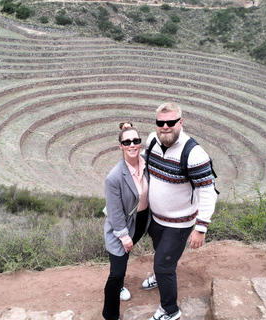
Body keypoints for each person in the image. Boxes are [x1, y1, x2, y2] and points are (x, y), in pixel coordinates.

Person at [143, 102, 218, 320]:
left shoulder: (194, 154)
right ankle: (161, 277)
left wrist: (201, 227)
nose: (165, 126)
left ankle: (170, 311)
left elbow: (208, 191)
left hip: (179, 223)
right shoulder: (151, 141)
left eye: (171, 122)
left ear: (180, 122)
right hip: (156, 218)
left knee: (164, 264)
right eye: (161, 122)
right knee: (161, 255)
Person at [102, 122, 151, 320]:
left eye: (136, 141)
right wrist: (123, 236)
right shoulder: (114, 177)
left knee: (126, 256)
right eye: (127, 142)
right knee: (116, 271)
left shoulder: (147, 162)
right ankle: (110, 314)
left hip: (142, 219)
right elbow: (114, 213)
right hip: (121, 225)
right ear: (120, 146)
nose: (132, 145)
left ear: (140, 143)